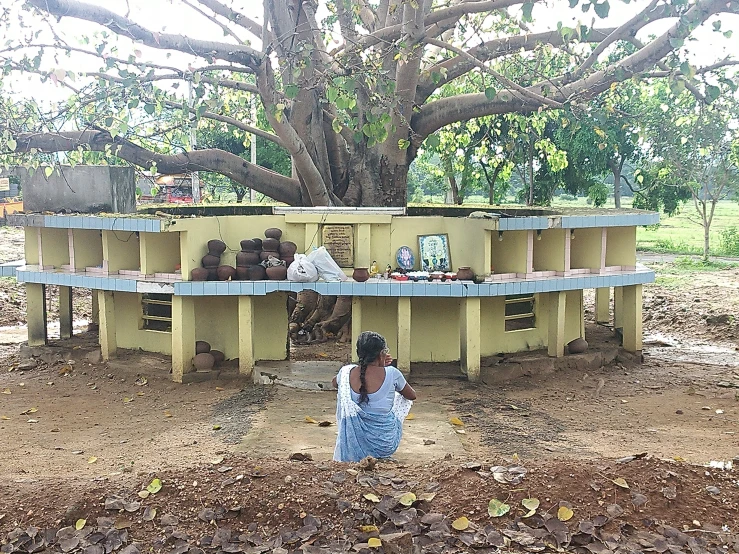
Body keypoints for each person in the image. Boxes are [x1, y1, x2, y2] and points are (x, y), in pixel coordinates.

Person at [332, 331, 417, 462]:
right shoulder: (393, 373)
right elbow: (411, 396)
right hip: (384, 444)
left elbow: (335, 383)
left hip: (353, 444)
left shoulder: (346, 372)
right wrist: (384, 368)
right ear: (382, 353)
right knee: (395, 399)